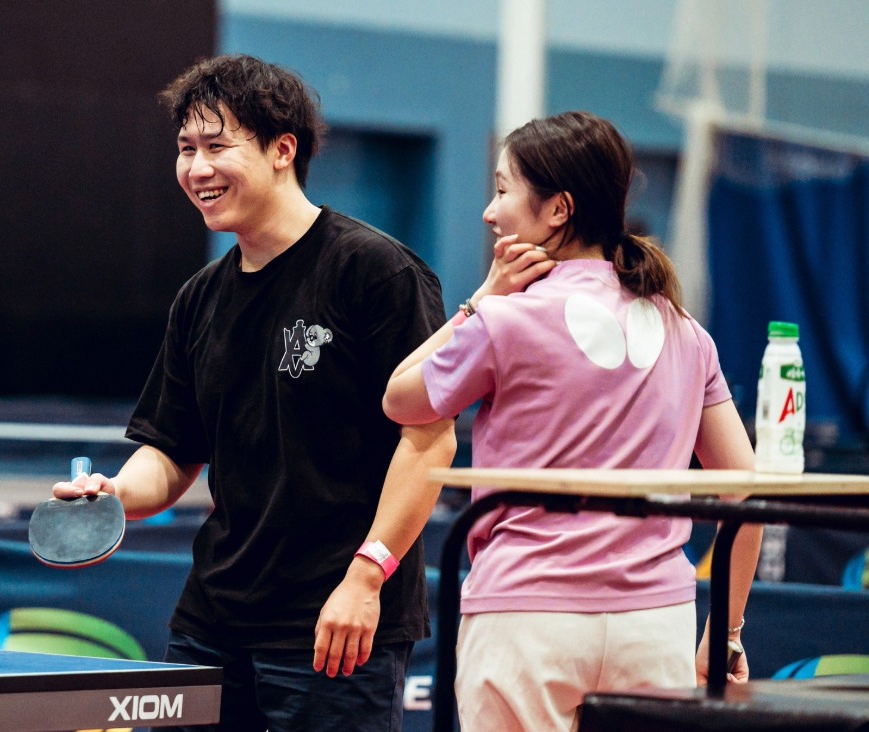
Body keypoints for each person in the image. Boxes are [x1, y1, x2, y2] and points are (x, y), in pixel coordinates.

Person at [52, 54, 456, 731]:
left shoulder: (375, 271)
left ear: (281, 150)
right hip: (212, 622)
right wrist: (116, 494)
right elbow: (172, 450)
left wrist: (365, 579)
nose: (197, 168)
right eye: (185, 149)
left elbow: (429, 440)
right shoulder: (200, 298)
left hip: (334, 626)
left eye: (216, 146)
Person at [382, 111, 763, 732]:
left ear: (557, 209)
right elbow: (746, 491)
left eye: (502, 189)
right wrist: (726, 631)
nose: (489, 210)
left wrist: (484, 299)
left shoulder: (508, 321)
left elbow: (400, 399)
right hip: (655, 625)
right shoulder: (688, 333)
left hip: (527, 621)